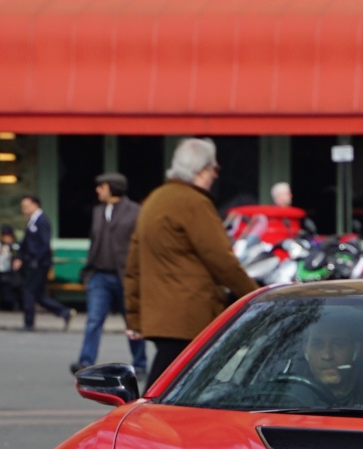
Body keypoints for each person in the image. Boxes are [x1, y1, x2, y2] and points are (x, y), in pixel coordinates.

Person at [124, 137, 258, 389]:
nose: (216, 176)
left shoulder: (154, 200)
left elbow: (133, 264)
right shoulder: (194, 203)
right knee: (178, 392)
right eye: (214, 169)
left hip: (160, 316)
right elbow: (222, 261)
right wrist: (255, 297)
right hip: (190, 314)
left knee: (168, 386)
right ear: (201, 170)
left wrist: (134, 315)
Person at [71, 172, 146, 378]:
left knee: (132, 321)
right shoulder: (97, 211)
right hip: (100, 274)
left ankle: (140, 362)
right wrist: (88, 269)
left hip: (125, 275)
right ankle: (86, 361)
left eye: (101, 186)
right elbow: (95, 241)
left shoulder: (136, 211)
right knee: (94, 319)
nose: (97, 190)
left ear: (113, 188)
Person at [13, 194, 72, 331]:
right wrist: (20, 257)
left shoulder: (42, 221)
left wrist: (36, 260)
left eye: (26, 206)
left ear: (35, 205)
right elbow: (26, 242)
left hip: (39, 263)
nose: (24, 209)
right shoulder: (32, 221)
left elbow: (45, 244)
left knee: (29, 291)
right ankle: (63, 312)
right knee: (38, 295)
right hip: (32, 261)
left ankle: (28, 323)